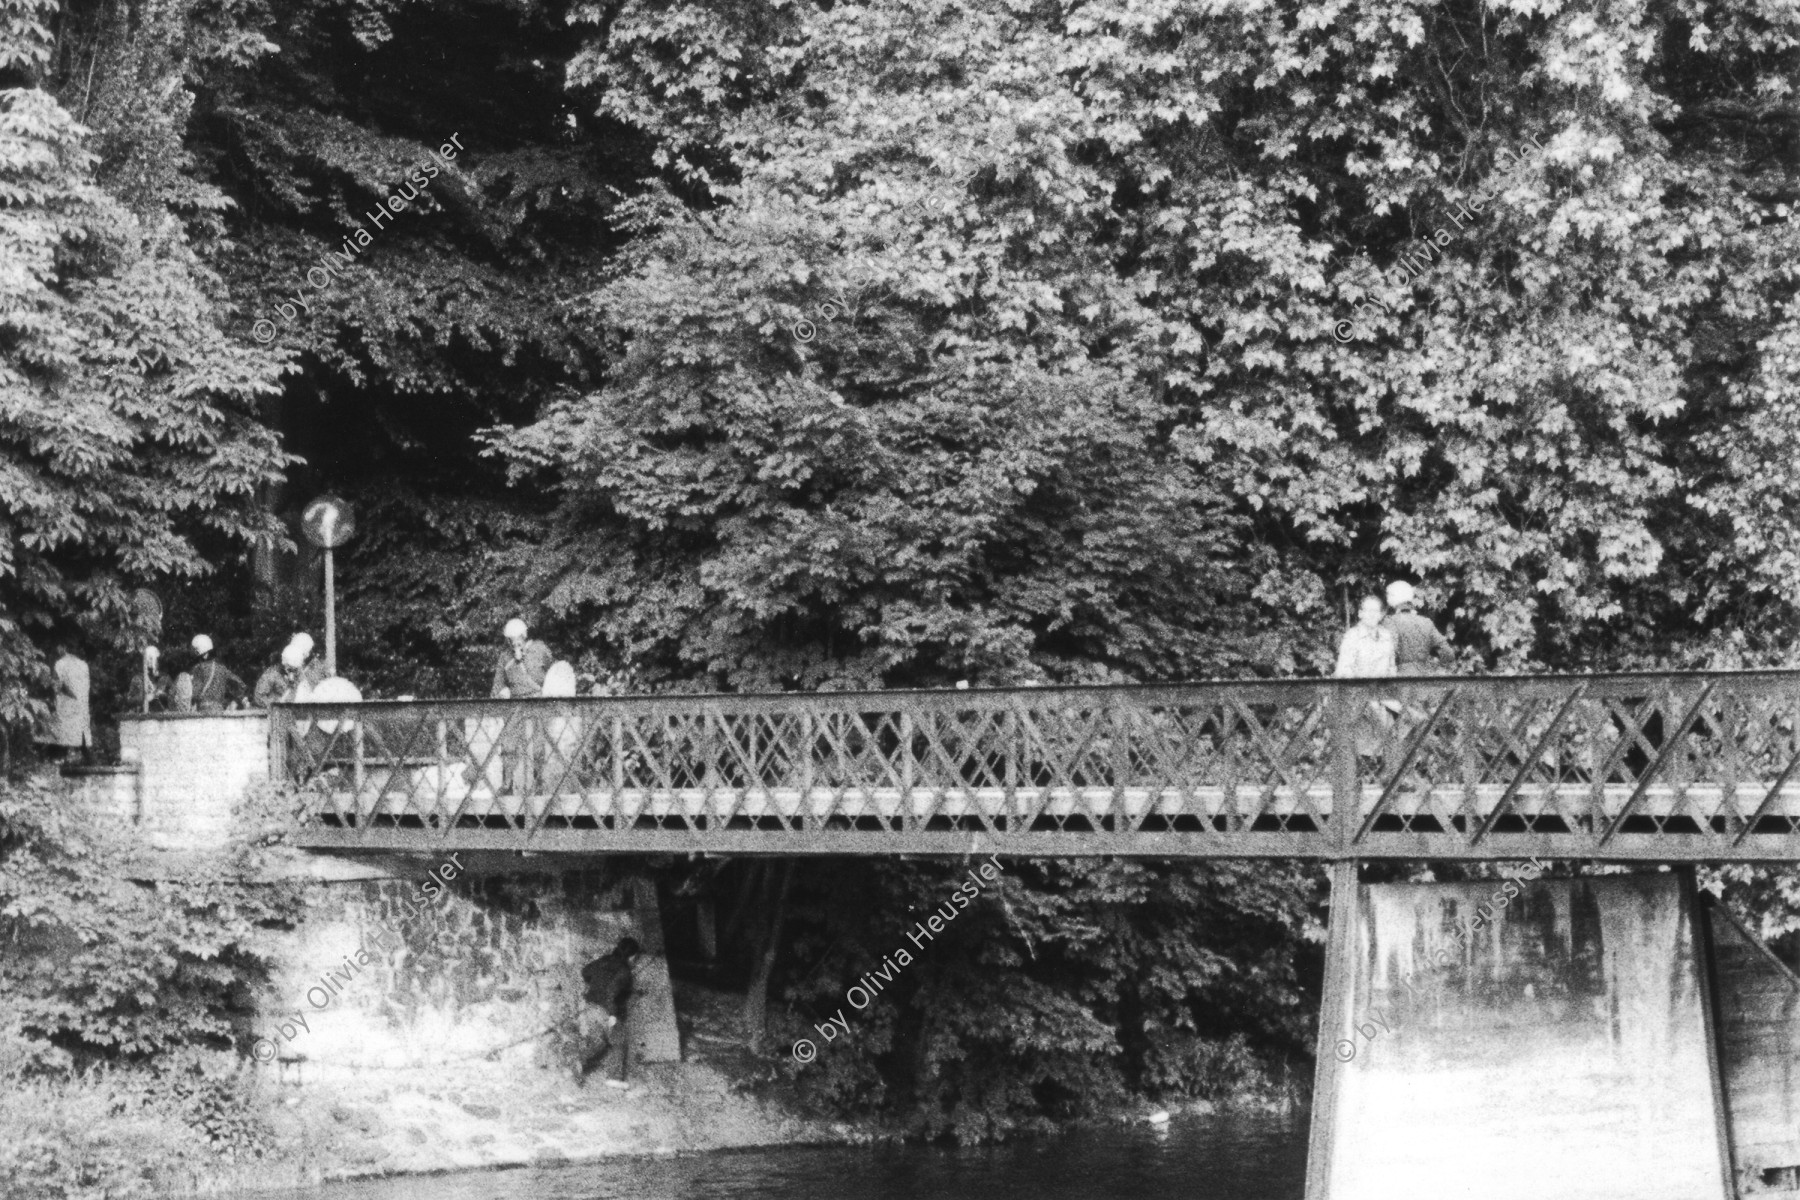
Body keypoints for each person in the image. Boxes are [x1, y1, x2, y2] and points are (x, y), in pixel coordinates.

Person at [576, 936, 641, 1088]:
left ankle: (578, 1059)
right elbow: (612, 991)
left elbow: (585, 971)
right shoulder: (624, 971)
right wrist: (612, 1014)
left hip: (589, 1006)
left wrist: (596, 983)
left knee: (598, 1041)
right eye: (635, 957)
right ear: (631, 956)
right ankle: (614, 1078)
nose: (634, 961)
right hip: (605, 1010)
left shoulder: (604, 960)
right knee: (618, 1041)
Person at [1383, 581, 1453, 675]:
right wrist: (1435, 667)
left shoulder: (1390, 622)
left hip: (1399, 680)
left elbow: (1389, 652)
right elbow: (1448, 653)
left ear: (1391, 599)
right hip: (1424, 679)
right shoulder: (1426, 622)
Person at [37, 643, 91, 762]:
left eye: (59, 646)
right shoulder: (83, 665)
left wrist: (56, 688)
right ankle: (85, 758)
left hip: (66, 705)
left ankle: (57, 758)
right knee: (78, 734)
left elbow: (58, 686)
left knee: (61, 733)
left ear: (63, 647)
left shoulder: (60, 664)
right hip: (80, 706)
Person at [255, 633, 329, 707]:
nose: (293, 673)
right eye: (290, 669)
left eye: (295, 670)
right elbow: (259, 696)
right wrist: (275, 704)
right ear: (284, 664)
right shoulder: (272, 674)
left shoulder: (302, 672)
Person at [1335, 596, 1397, 679]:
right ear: (1360, 613)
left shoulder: (1386, 636)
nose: (1372, 615)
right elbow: (1343, 671)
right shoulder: (1352, 637)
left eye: (1375, 611)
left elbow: (1391, 668)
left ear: (1381, 615)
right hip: (1359, 689)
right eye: (1368, 611)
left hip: (1383, 690)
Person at [491, 618, 553, 699]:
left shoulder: (539, 649)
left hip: (540, 700)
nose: (515, 642)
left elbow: (553, 672)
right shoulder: (505, 657)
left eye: (518, 637)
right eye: (512, 638)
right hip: (516, 702)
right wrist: (502, 692)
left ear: (524, 636)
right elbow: (498, 684)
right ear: (508, 640)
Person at [189, 634, 248, 711]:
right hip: (219, 710)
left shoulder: (198, 668)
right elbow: (241, 685)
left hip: (203, 711)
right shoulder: (222, 668)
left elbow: (195, 693)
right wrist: (237, 700)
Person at [127, 645, 172, 712]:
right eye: (146, 658)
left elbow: (174, 698)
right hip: (142, 716)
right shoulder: (137, 678)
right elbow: (129, 700)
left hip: (162, 717)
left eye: (151, 658)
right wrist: (144, 698)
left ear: (157, 660)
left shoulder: (165, 678)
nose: (149, 661)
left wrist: (162, 695)